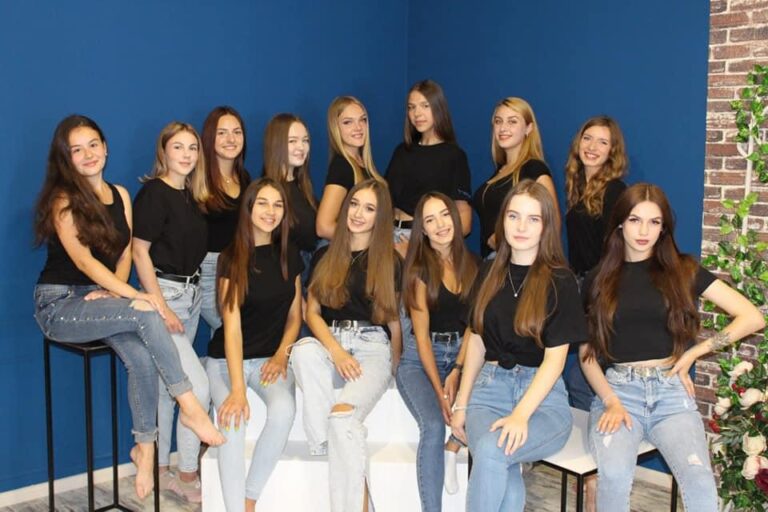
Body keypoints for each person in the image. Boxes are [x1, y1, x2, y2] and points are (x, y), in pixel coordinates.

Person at [33, 115, 224, 500]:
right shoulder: (63, 201)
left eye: (93, 145)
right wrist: (135, 296)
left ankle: (145, 447)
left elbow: (123, 255)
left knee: (140, 355)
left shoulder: (120, 195)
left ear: (105, 148)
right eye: (77, 150)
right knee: (147, 312)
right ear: (66, 158)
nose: (88, 154)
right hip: (59, 303)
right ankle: (189, 404)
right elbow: (85, 262)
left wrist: (116, 292)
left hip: (101, 297)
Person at [579, 183, 765, 512]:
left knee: (700, 482)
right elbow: (586, 354)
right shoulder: (598, 279)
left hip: (670, 394)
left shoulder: (683, 270)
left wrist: (695, 352)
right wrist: (610, 400)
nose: (644, 231)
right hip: (619, 393)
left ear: (664, 228)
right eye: (635, 220)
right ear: (620, 223)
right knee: (615, 477)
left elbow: (752, 317)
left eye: (654, 222)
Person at [451, 180, 587, 511]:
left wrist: (520, 415)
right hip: (488, 393)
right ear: (503, 221)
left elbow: (555, 361)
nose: (521, 227)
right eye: (513, 216)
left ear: (546, 226)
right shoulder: (488, 270)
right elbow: (477, 341)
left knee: (493, 451)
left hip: (543, 401)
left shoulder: (561, 280)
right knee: (502, 467)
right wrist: (461, 405)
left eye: (533, 218)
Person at [290, 179, 402, 512]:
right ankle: (323, 440)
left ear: (380, 217)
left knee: (343, 419)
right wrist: (336, 351)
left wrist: (394, 367)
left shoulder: (390, 260)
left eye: (369, 208)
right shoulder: (324, 255)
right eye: (354, 204)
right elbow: (311, 313)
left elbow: (394, 322)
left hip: (372, 346)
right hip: (331, 342)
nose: (358, 213)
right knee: (302, 351)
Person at [206, 178, 302, 512]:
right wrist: (237, 389)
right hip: (226, 360)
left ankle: (249, 497)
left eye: (278, 205)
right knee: (233, 423)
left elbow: (296, 316)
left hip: (269, 360)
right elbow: (231, 329)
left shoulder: (289, 255)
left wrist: (281, 355)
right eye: (262, 203)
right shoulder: (230, 258)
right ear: (248, 208)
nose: (270, 211)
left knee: (284, 410)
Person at [132, 121, 210, 502]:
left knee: (169, 388)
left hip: (191, 295)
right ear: (163, 151)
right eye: (178, 147)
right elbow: (139, 251)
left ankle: (162, 469)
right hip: (165, 295)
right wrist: (161, 308)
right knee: (197, 387)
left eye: (192, 148)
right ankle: (188, 473)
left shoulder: (191, 196)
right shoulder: (154, 194)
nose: (186, 154)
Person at [396, 192, 478, 511]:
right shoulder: (418, 270)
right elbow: (421, 339)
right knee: (432, 426)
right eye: (430, 220)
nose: (440, 224)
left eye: (444, 214)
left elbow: (474, 327)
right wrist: (439, 391)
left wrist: (457, 370)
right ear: (423, 229)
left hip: (462, 354)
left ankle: (454, 445)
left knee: (483, 407)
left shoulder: (474, 265)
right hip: (420, 360)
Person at [385, 79, 472, 257]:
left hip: (424, 243)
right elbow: (385, 200)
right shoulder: (402, 151)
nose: (417, 113)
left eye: (425, 105)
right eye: (411, 107)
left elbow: (464, 218)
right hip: (389, 238)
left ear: (438, 107)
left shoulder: (454, 155)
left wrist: (427, 247)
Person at [472, 97, 557, 258]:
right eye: (498, 121)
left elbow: (552, 226)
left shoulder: (534, 169)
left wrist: (502, 242)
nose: (503, 128)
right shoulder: (500, 171)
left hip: (521, 263)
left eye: (512, 121)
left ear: (528, 128)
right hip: (494, 263)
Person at [199, 106, 251, 333]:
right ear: (210, 138)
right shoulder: (199, 180)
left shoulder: (244, 178)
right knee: (232, 329)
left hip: (238, 265)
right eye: (222, 133)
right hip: (208, 270)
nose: (231, 139)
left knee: (230, 333)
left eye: (237, 132)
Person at [316, 96, 383, 240]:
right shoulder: (342, 166)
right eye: (348, 122)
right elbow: (323, 227)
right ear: (335, 128)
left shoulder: (362, 163)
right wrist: (363, 243)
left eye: (362, 120)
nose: (358, 127)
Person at [262, 113, 317, 257]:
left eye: (305, 140)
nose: (301, 147)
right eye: (292, 141)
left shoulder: (303, 186)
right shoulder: (267, 191)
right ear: (276, 144)